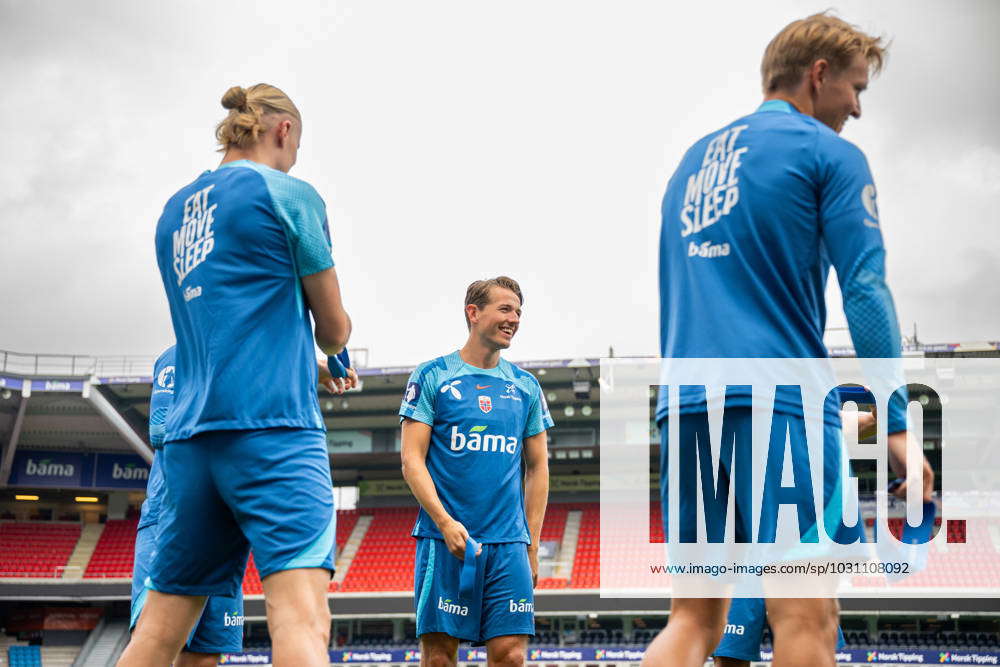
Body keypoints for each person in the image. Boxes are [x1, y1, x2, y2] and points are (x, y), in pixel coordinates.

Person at [645, 13, 933, 667]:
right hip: (780, 402)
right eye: (854, 89)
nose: (857, 109)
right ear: (819, 74)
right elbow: (865, 289)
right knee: (806, 611)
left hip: (687, 406)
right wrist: (891, 419)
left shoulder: (689, 166)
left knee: (692, 616)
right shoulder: (828, 154)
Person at [118, 83, 356, 667]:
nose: (296, 157)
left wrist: (304, 360)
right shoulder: (288, 194)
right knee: (300, 619)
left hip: (189, 445)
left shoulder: (172, 213)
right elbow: (333, 329)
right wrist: (330, 347)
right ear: (283, 131)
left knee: (156, 637)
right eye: (296, 145)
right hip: (273, 432)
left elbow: (227, 323)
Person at [399, 277, 551, 667]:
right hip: (444, 539)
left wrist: (531, 544)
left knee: (512, 656)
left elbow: (538, 469)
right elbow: (411, 460)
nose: (514, 318)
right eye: (505, 309)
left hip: (508, 545)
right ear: (473, 313)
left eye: (518, 311)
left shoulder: (526, 386)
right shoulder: (432, 375)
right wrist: (445, 522)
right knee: (438, 658)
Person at [129, 345, 243, 667]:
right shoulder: (178, 355)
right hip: (173, 519)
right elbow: (162, 428)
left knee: (205, 655)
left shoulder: (247, 349)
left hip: (226, 528)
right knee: (156, 641)